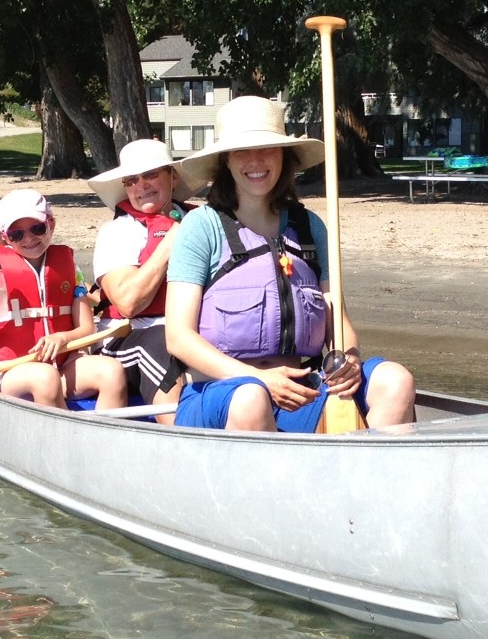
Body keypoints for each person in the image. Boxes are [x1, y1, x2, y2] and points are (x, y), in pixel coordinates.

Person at [164, 95, 416, 432]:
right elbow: (178, 338)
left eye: (267, 149)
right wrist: (258, 378)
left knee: (395, 381)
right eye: (242, 151)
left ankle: (362, 464)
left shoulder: (310, 227)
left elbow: (338, 323)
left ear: (284, 156)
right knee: (251, 397)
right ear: (226, 161)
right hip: (219, 391)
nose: (256, 161)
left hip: (300, 389)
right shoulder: (201, 226)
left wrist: (349, 359)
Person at [0, 189, 127, 411]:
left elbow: (87, 328)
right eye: (17, 234)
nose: (29, 239)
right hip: (10, 371)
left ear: (51, 225)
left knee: (112, 372)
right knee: (45, 378)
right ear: (5, 236)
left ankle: (103, 431)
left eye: (37, 228)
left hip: (62, 365)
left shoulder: (68, 266)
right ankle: (65, 431)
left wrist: (62, 337)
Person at [86, 138, 206, 423]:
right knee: (161, 343)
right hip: (129, 336)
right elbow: (128, 303)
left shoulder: (201, 220)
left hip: (191, 330)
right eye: (131, 180)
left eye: (151, 174)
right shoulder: (118, 232)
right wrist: (172, 242)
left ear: (172, 177)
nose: (141, 186)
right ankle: (176, 434)